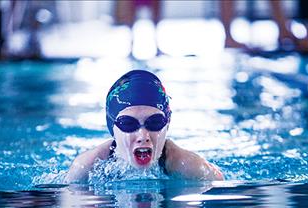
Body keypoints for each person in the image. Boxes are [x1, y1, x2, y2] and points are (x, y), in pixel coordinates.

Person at [65, 70, 224, 183]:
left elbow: (221, 185)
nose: (143, 136)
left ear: (167, 125)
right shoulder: (85, 168)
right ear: (112, 128)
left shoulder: (188, 166)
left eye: (154, 122)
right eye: (128, 124)